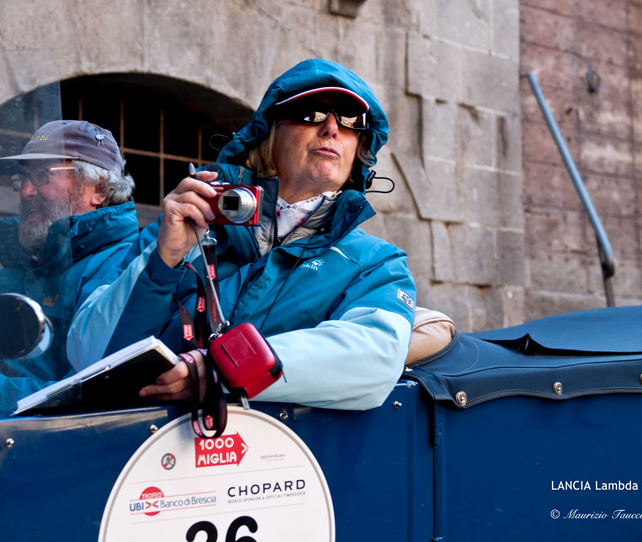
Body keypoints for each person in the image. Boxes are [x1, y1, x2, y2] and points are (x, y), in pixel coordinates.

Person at [67, 59, 415, 411]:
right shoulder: (184, 225)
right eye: (311, 112)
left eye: (349, 120)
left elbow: (374, 360)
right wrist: (163, 261)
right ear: (269, 132)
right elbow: (91, 356)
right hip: (147, 451)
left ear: (360, 149)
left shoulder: (376, 264)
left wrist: (222, 369)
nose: (330, 128)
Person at [0, 120, 137, 412]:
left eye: (41, 175)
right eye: (21, 178)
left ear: (99, 189)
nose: (25, 191)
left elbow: (87, 399)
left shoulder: (121, 270)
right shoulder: (9, 276)